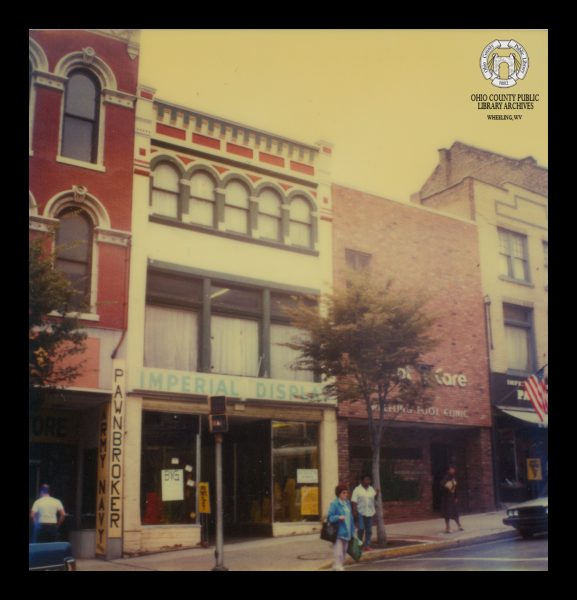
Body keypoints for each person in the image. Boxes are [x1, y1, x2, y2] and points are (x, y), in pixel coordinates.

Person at [327, 484, 355, 571]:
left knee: (344, 550)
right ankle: (339, 566)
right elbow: (330, 517)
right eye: (343, 493)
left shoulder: (347, 503)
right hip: (338, 532)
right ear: (339, 494)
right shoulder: (334, 504)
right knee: (338, 552)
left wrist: (353, 531)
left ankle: (337, 565)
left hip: (347, 531)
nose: (345, 494)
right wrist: (338, 517)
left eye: (346, 493)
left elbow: (351, 517)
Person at [351, 474, 379, 551]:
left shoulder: (371, 489)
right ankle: (359, 545)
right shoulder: (357, 490)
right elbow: (354, 501)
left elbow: (374, 498)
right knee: (361, 528)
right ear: (361, 481)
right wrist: (354, 512)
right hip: (360, 512)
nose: (368, 481)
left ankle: (367, 545)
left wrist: (377, 494)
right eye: (366, 480)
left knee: (369, 530)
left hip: (369, 512)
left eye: (369, 480)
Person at [440, 467, 464, 534]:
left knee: (455, 512)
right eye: (451, 469)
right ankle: (447, 527)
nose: (452, 470)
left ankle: (459, 525)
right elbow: (442, 486)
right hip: (447, 498)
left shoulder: (454, 478)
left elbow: (456, 488)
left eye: (453, 469)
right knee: (447, 513)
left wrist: (456, 497)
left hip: (452, 498)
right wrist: (447, 485)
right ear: (448, 470)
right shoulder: (446, 478)